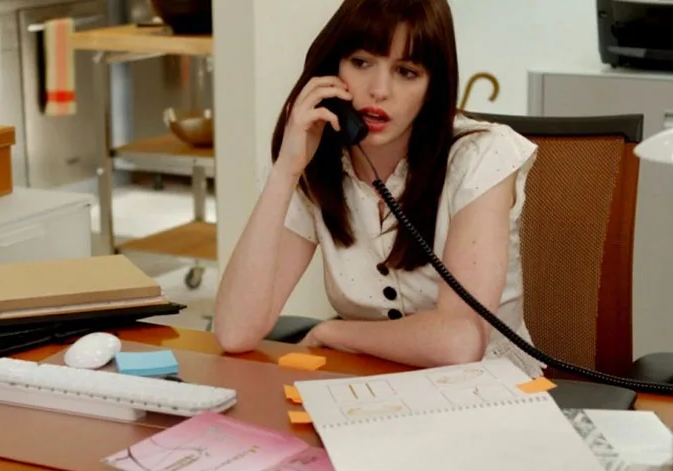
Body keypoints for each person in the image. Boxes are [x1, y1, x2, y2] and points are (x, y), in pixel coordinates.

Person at [213, 0, 543, 377]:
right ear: (332, 69)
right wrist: (285, 171)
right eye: (361, 62)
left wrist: (331, 331)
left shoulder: (480, 157)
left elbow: (460, 341)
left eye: (406, 71)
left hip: (487, 391)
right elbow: (236, 331)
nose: (379, 90)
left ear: (432, 87)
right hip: (364, 386)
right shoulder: (318, 167)